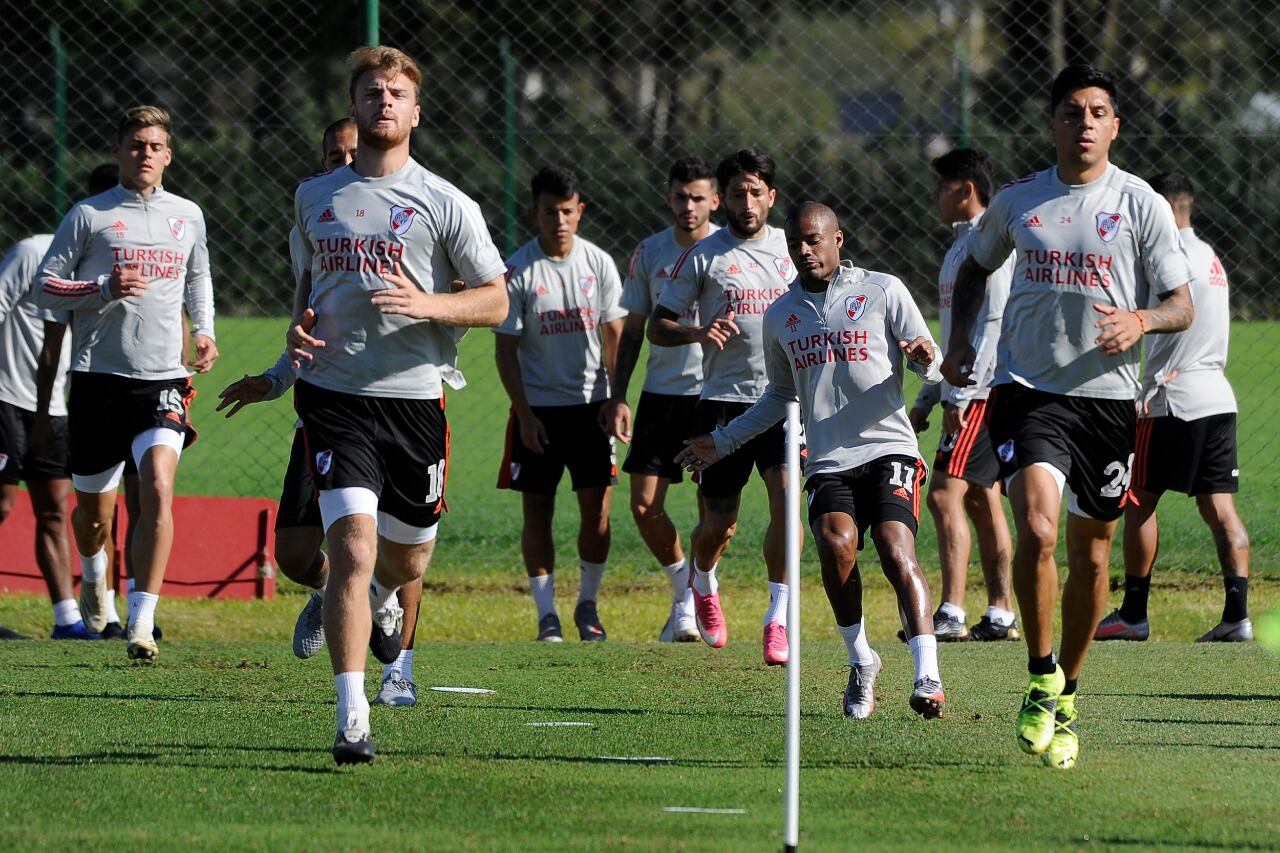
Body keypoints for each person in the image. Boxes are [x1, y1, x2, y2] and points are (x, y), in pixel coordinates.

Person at [941, 64, 1193, 770]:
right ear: (1052, 122)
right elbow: (974, 267)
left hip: (1108, 401)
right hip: (1029, 390)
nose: (1084, 122)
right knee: (1039, 528)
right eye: (1072, 111)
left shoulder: (1140, 204)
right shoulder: (1020, 200)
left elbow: (1181, 304)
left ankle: (1069, 694)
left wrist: (1141, 319)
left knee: (1092, 555)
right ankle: (1040, 673)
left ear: (1115, 126)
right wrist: (960, 341)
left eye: (1097, 112)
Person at [287, 46, 508, 764]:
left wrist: (429, 304)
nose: (384, 100)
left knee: (406, 561)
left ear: (416, 111)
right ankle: (352, 715)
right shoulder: (314, 197)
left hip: (415, 403)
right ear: (353, 107)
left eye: (397, 93)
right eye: (372, 91)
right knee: (351, 547)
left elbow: (498, 301)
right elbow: (307, 288)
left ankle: (385, 594)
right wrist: (294, 333)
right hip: (336, 399)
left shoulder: (446, 202)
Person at [677, 202, 946, 718]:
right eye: (795, 243)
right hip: (827, 458)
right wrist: (723, 440)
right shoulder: (781, 315)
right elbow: (779, 397)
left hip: (889, 446)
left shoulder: (883, 290)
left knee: (895, 548)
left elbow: (930, 361)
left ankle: (927, 673)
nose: (804, 250)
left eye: (813, 240)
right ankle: (862, 661)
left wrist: (923, 359)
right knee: (833, 542)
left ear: (837, 240)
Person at [34, 106, 219, 662]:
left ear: (168, 155)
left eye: (155, 146)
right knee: (94, 518)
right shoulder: (89, 215)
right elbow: (45, 286)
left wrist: (204, 331)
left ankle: (141, 621)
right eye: (136, 145)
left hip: (163, 379)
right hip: (98, 380)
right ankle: (95, 576)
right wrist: (102, 288)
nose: (145, 154)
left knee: (158, 486)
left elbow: (199, 276)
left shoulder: (187, 215)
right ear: (118, 151)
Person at [648, 148, 798, 665]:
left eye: (756, 192)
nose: (747, 202)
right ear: (723, 199)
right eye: (737, 193)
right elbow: (657, 326)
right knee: (719, 526)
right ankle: (704, 582)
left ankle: (777, 618)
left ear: (771, 196)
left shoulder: (791, 248)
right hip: (722, 405)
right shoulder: (705, 255)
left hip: (784, 403)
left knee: (788, 506)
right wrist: (697, 331)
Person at [1096, 172, 1251, 643]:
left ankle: (1133, 614)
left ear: (1160, 208)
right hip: (1217, 398)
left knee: (1139, 500)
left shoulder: (1167, 259)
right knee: (1220, 507)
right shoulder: (1209, 257)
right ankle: (1238, 617)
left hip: (1170, 399)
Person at [494, 166, 626, 642]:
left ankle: (588, 605)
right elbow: (505, 350)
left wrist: (616, 399)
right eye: (550, 212)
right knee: (537, 512)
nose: (559, 221)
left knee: (598, 512)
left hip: (592, 409)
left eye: (567, 211)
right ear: (534, 213)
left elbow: (615, 337)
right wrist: (525, 413)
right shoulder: (518, 271)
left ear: (580, 211)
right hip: (539, 412)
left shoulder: (599, 264)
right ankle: (546, 613)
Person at [0, 165, 119, 640]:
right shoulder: (32, 252)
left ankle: (67, 618)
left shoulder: (102, 270)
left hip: (54, 407)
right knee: (2, 504)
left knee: (55, 507)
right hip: (5, 396)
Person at [604, 156, 719, 642]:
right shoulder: (650, 251)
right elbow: (633, 330)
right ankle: (684, 596)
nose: (689, 206)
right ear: (668, 197)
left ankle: (702, 593)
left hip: (714, 394)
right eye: (681, 196)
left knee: (715, 510)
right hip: (660, 395)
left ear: (715, 201)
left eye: (698, 198)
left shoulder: (728, 251)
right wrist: (618, 396)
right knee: (644, 505)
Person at [907, 148, 1017, 642]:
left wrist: (961, 395)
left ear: (967, 190)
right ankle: (1000, 613)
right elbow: (955, 332)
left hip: (981, 392)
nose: (934, 196)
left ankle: (951, 611)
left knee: (941, 494)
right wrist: (929, 396)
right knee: (980, 498)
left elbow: (992, 325)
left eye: (942, 186)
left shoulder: (991, 244)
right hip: (964, 390)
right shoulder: (958, 249)